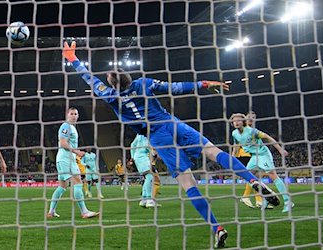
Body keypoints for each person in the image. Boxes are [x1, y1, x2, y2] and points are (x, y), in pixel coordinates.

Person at [62, 41, 280, 248]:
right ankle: (252, 180)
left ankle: (217, 227)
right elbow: (175, 87)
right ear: (130, 78)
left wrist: (73, 59)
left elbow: (89, 78)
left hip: (157, 137)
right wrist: (203, 84)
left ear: (111, 83)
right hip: (173, 124)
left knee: (188, 182)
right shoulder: (144, 83)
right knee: (214, 152)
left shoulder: (109, 95)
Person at [231, 113, 294, 213]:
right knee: (248, 176)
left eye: (239, 120)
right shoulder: (234, 133)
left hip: (263, 154)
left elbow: (268, 138)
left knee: (273, 176)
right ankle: (266, 199)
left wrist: (280, 150)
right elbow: (235, 144)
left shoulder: (252, 131)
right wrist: (233, 157)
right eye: (234, 121)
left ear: (243, 122)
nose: (236, 122)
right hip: (254, 156)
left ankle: (288, 201)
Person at [47, 107, 99, 219]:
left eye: (76, 114)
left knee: (62, 186)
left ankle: (51, 211)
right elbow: (63, 143)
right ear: (67, 115)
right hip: (66, 158)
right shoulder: (65, 126)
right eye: (72, 113)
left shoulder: (72, 127)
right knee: (78, 182)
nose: (74, 116)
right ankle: (84, 212)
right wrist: (77, 152)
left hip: (66, 159)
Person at [130, 134, 155, 208]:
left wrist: (133, 157)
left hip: (138, 157)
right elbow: (146, 145)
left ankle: (143, 200)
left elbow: (132, 144)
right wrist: (153, 152)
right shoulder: (145, 134)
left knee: (147, 177)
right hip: (142, 157)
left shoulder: (139, 134)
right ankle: (149, 200)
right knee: (149, 177)